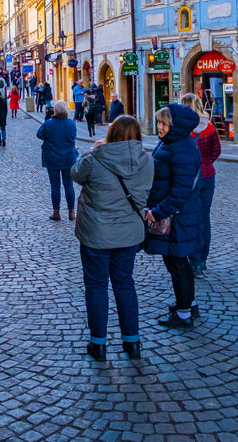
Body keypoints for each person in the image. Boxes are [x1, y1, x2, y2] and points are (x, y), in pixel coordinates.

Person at [72, 116, 153, 361]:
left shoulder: (96, 158)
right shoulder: (147, 160)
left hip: (96, 233)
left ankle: (98, 344)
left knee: (96, 286)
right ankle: (132, 342)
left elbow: (76, 174)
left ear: (111, 134)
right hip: (128, 234)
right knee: (125, 283)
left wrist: (89, 151)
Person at [143, 104, 203, 329]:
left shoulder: (182, 149)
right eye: (159, 122)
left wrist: (156, 212)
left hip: (178, 216)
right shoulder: (171, 143)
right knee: (177, 261)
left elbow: (180, 191)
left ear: (174, 126)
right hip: (175, 213)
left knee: (177, 262)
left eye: (164, 124)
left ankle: (184, 314)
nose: (159, 127)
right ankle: (188, 303)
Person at [180, 93, 221, 275]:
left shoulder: (182, 128)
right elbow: (216, 151)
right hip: (207, 175)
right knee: (204, 217)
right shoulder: (209, 126)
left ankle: (191, 257)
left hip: (189, 177)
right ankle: (201, 260)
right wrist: (206, 163)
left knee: (189, 217)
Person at [36, 100, 78, 221]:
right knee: (69, 185)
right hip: (68, 158)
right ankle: (71, 212)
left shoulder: (49, 123)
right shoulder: (71, 124)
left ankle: (56, 212)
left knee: (55, 186)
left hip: (52, 158)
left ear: (54, 111)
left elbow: (39, 134)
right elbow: (73, 137)